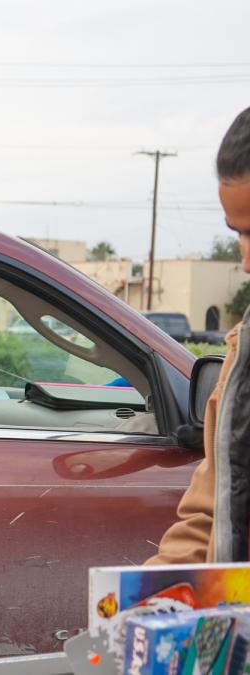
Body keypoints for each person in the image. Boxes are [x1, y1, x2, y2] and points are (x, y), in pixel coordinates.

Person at [149, 106, 250, 564]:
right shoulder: (242, 353)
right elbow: (209, 515)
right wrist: (147, 603)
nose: (246, 262)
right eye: (239, 235)